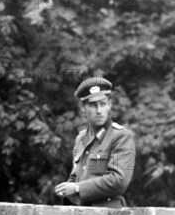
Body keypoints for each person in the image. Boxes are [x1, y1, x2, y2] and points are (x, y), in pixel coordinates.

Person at [54, 77, 135, 208]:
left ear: (109, 104)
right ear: (82, 107)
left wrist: (77, 188)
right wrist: (65, 190)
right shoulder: (80, 139)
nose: (99, 110)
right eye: (93, 105)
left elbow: (119, 181)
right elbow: (75, 177)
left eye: (103, 104)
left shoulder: (121, 137)